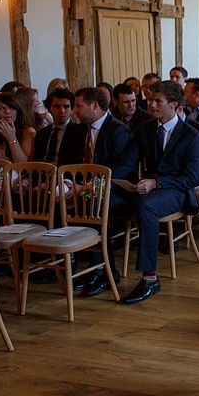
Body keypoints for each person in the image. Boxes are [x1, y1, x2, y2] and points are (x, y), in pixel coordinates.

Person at [119, 80, 199, 304]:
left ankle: (149, 278)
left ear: (173, 104)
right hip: (147, 188)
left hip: (176, 190)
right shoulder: (144, 128)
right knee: (108, 200)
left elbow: (190, 178)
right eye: (150, 100)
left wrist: (156, 182)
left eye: (158, 101)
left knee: (146, 205)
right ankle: (102, 269)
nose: (151, 104)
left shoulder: (191, 135)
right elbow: (128, 162)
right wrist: (109, 179)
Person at [60, 87, 138, 297]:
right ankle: (70, 264)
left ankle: (103, 270)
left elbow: (120, 169)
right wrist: (68, 184)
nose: (74, 111)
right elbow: (65, 163)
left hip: (116, 190)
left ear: (94, 105)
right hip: (82, 189)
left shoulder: (118, 130)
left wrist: (85, 188)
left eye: (78, 105)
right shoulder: (75, 130)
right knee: (54, 199)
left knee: (90, 203)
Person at [0, 92, 35, 162]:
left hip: (17, 172)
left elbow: (24, 164)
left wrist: (11, 138)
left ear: (18, 111)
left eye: (12, 108)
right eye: (1, 108)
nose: (7, 111)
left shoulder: (28, 132)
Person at [34, 88, 76, 165]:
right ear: (49, 109)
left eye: (66, 107)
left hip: (65, 174)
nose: (62, 111)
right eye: (57, 107)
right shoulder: (41, 134)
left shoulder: (77, 132)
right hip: (42, 173)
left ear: (72, 110)